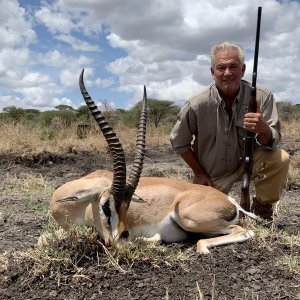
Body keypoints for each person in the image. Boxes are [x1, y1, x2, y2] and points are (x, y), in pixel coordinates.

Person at [170, 41, 289, 220]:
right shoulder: (197, 103)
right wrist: (199, 172)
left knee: (280, 158)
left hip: (252, 163)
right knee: (200, 215)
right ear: (212, 72)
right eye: (221, 68)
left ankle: (263, 208)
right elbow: (179, 142)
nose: (227, 73)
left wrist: (263, 128)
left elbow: (273, 140)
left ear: (243, 69)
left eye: (233, 66)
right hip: (213, 174)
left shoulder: (262, 96)